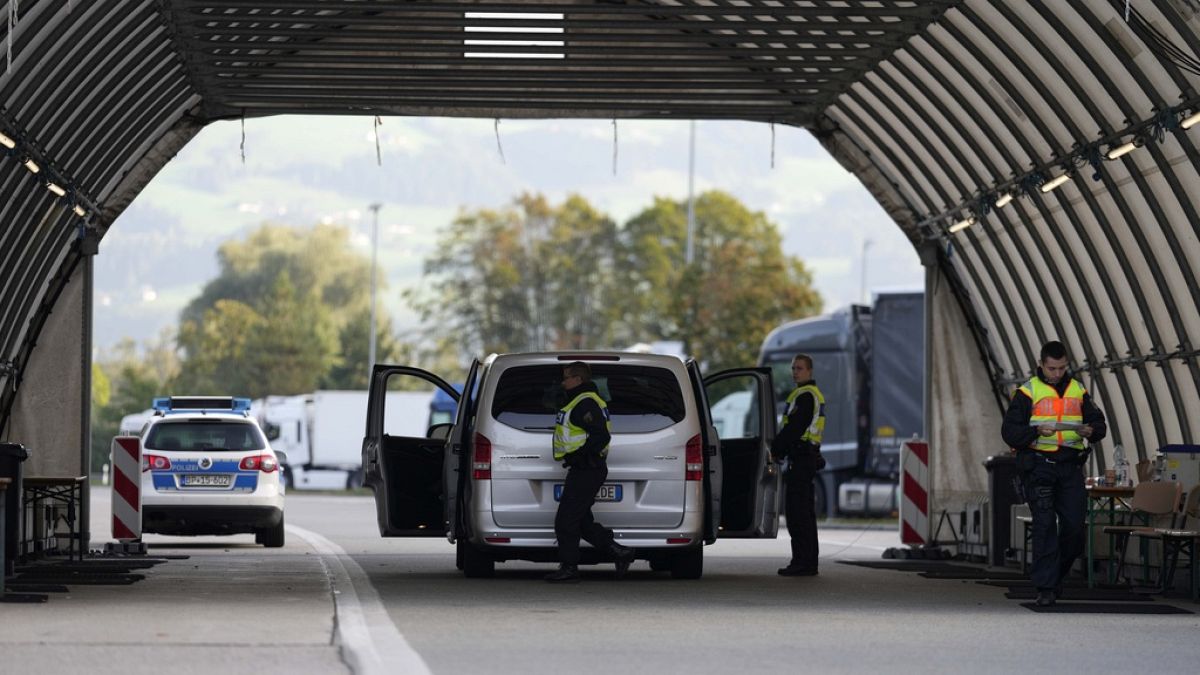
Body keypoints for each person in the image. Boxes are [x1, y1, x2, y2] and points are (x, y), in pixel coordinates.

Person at [1001, 340, 1107, 606]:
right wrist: (1036, 431)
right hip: (1039, 466)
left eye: (1061, 368)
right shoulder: (1027, 392)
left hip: (1070, 467)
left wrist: (1090, 430)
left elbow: (1099, 423)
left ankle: (1055, 576)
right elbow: (1010, 432)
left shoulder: (1078, 390)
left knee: (1074, 529)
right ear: (1041, 365)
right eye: (1051, 368)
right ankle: (1045, 588)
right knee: (1045, 525)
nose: (1057, 373)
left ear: (1067, 364)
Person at [545, 361, 636, 583]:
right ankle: (620, 552)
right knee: (581, 521)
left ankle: (569, 568)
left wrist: (582, 456)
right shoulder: (580, 400)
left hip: (588, 468)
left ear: (578, 379)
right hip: (585, 468)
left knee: (565, 520)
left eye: (566, 378)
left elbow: (600, 436)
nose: (563, 382)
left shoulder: (585, 403)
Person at [770, 353, 826, 577]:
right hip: (806, 458)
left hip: (801, 459)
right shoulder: (807, 394)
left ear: (810, 371)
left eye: (800, 368)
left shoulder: (805, 396)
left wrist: (775, 449)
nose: (795, 372)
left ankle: (802, 562)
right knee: (805, 513)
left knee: (797, 513)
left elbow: (794, 429)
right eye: (793, 368)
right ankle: (808, 561)